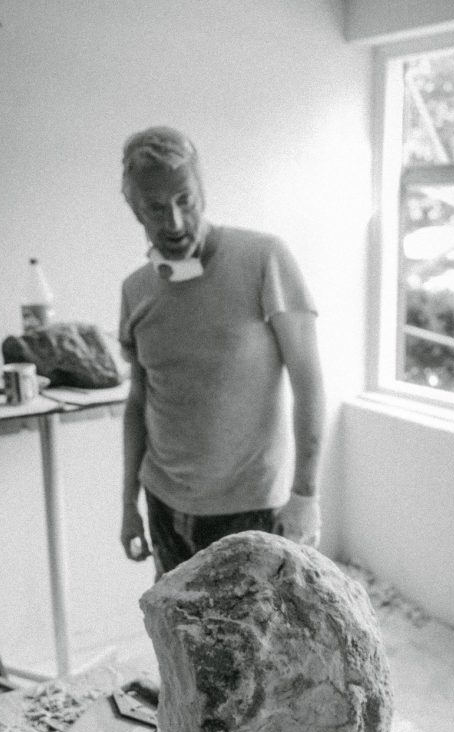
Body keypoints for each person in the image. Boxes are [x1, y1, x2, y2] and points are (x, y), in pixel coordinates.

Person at [118, 126, 325, 576]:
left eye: (184, 200)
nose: (173, 222)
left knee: (255, 644)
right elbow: (138, 403)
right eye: (155, 207)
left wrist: (305, 495)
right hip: (165, 504)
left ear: (202, 192)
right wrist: (127, 504)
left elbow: (308, 384)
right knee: (181, 641)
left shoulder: (264, 259)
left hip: (250, 509)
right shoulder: (136, 291)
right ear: (136, 211)